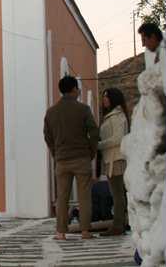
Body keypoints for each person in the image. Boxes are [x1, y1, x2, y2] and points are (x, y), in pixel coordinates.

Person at [44, 75, 99, 240]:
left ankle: (60, 232)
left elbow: (47, 136)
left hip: (61, 159)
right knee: (84, 196)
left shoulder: (51, 112)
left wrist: (56, 152)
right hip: (81, 157)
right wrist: (91, 151)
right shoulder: (83, 109)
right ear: (74, 89)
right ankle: (85, 231)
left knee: (62, 197)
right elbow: (94, 131)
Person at [98, 87, 129, 236]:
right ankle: (120, 223)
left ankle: (118, 225)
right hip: (111, 159)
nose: (104, 99)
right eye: (103, 96)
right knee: (117, 193)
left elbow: (118, 138)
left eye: (107, 96)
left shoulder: (117, 116)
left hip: (115, 159)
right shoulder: (111, 116)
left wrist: (99, 145)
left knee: (117, 194)